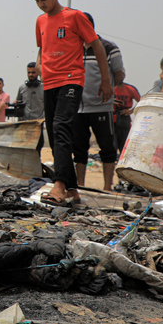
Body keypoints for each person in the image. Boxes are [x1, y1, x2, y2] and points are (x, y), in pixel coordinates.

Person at [28, 0, 112, 205]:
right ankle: (73, 189)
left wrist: (106, 80)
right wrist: (39, 65)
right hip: (50, 83)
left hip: (71, 80)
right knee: (54, 136)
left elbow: (96, 45)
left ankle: (59, 185)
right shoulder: (40, 21)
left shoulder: (75, 17)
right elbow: (41, 49)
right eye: (37, 0)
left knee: (62, 127)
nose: (41, 4)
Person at [72, 13, 125, 191]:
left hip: (102, 106)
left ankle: (107, 187)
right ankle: (80, 186)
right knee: (79, 149)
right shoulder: (74, 48)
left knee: (107, 148)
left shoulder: (109, 47)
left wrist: (108, 87)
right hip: (78, 108)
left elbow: (119, 74)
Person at [16, 61, 45, 153]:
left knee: (37, 149)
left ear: (38, 73)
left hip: (38, 124)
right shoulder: (22, 88)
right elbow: (18, 102)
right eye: (29, 72)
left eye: (33, 72)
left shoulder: (44, 88)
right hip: (25, 124)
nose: (31, 75)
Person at [113, 81, 141, 156]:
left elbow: (141, 101)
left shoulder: (130, 89)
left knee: (124, 146)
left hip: (124, 120)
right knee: (112, 146)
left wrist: (131, 111)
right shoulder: (109, 87)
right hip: (111, 119)